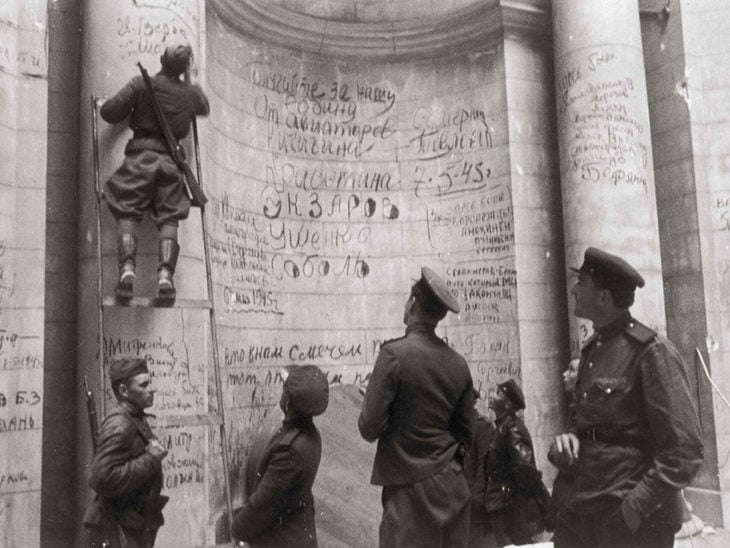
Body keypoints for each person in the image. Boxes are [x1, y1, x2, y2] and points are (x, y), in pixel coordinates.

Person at [549, 247, 704, 547]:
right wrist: (568, 438)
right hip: (584, 509)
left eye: (581, 282)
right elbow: (587, 425)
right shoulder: (592, 350)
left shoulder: (650, 351)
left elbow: (685, 449)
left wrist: (633, 509)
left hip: (631, 520)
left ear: (604, 297)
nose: (573, 289)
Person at [359, 266, 476, 548]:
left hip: (408, 493)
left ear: (412, 302)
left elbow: (369, 427)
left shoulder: (393, 355)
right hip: (453, 490)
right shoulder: (458, 363)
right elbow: (466, 432)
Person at [100, 42, 210, 302]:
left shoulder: (142, 83)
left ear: (161, 60)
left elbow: (109, 112)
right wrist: (191, 81)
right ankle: (165, 277)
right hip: (171, 165)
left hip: (140, 160)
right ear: (184, 69)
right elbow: (203, 106)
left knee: (127, 208)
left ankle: (127, 271)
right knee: (170, 218)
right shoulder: (190, 95)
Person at [231, 365, 329, 547]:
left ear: (289, 402)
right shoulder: (309, 435)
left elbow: (264, 504)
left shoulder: (290, 450)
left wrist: (236, 529)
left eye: (285, 391)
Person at [84, 356, 169, 547]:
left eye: (150, 383)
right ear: (124, 391)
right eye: (144, 385)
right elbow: (102, 477)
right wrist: (150, 459)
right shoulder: (120, 423)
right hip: (116, 529)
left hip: (131, 526)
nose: (151, 389)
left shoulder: (134, 416)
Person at [484, 379, 549, 547]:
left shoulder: (512, 428)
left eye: (498, 394)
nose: (492, 395)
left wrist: (511, 493)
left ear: (508, 404)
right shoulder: (501, 427)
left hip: (509, 504)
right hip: (501, 500)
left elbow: (524, 469)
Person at [463, 390, 495, 548]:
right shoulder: (457, 427)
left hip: (473, 504)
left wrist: (476, 500)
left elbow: (484, 465)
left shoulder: (482, 426)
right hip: (458, 502)